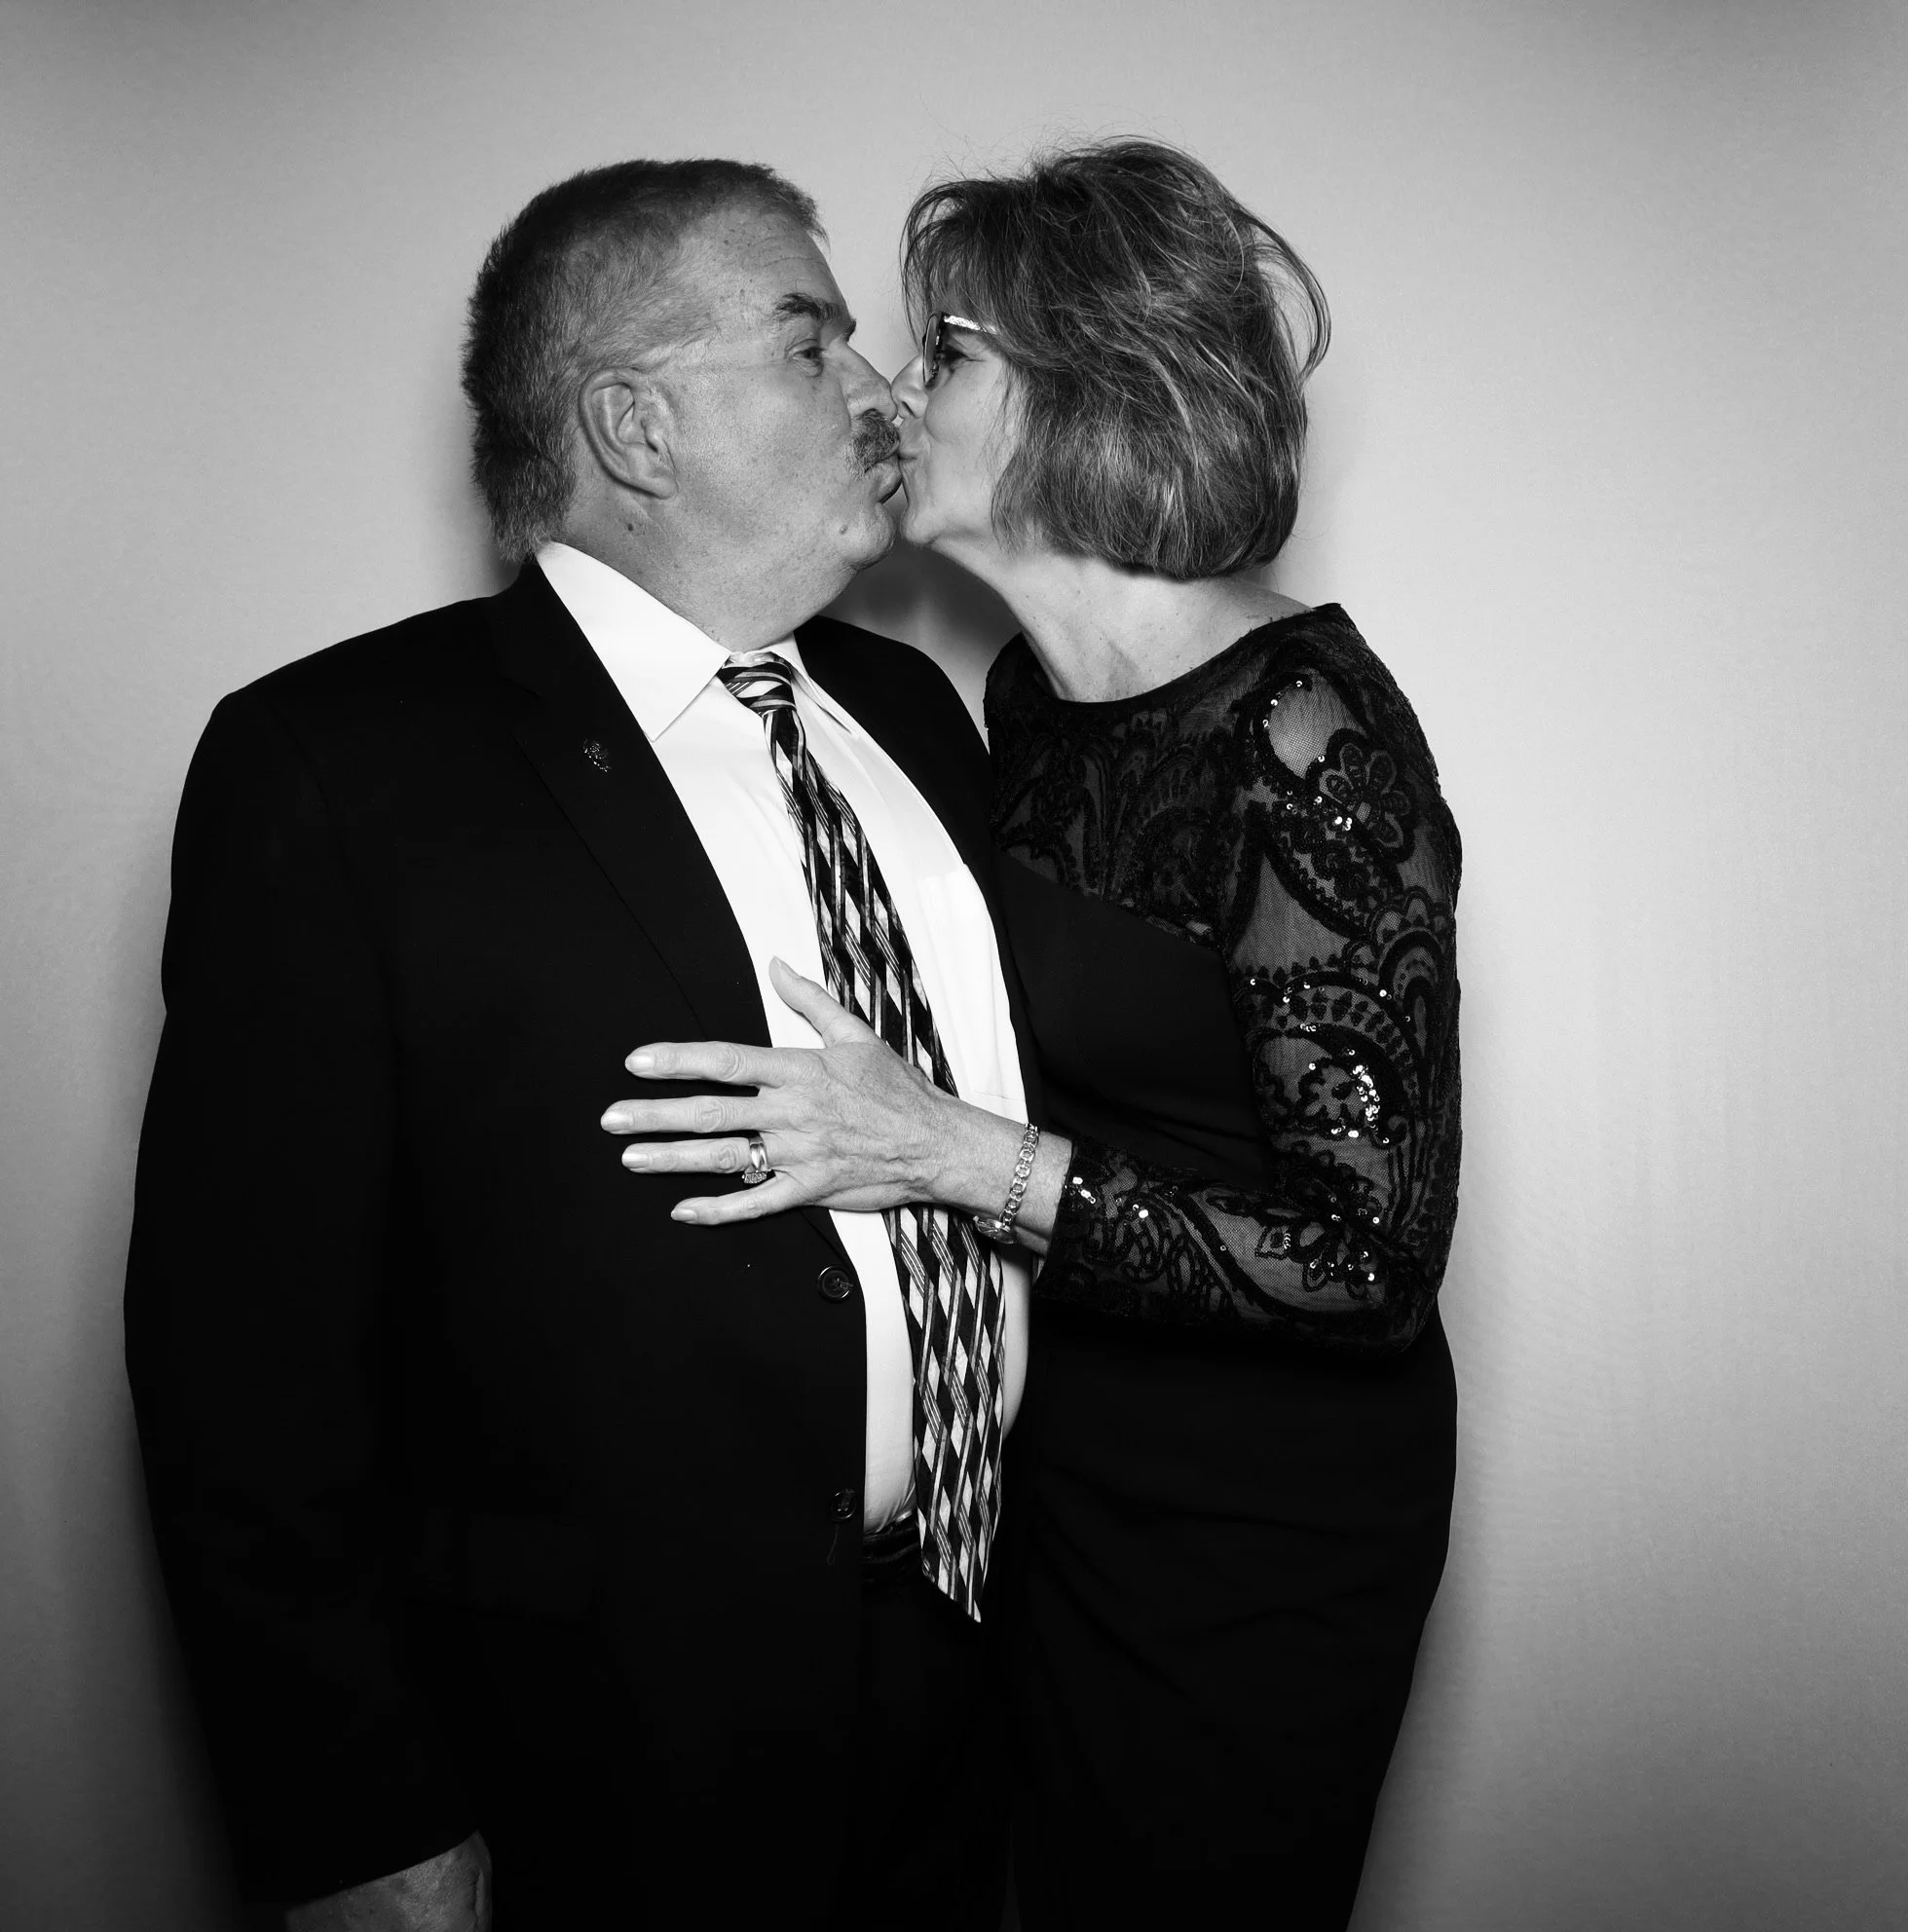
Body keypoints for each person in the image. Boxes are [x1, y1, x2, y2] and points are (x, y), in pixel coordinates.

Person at [124, 158, 1036, 1932]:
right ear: (634, 423)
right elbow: (241, 1364)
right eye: (810, 342)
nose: (879, 389)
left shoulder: (920, 715)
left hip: (962, 1689)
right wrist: (359, 1824)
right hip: (595, 1756)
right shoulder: (338, 764)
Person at [603, 138, 1461, 1929]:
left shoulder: (1305, 734)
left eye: (951, 355)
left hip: (1263, 1528)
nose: (899, 396)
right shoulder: (1019, 706)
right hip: (1056, 1473)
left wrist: (939, 1151)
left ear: (1085, 394)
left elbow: (1367, 1258)